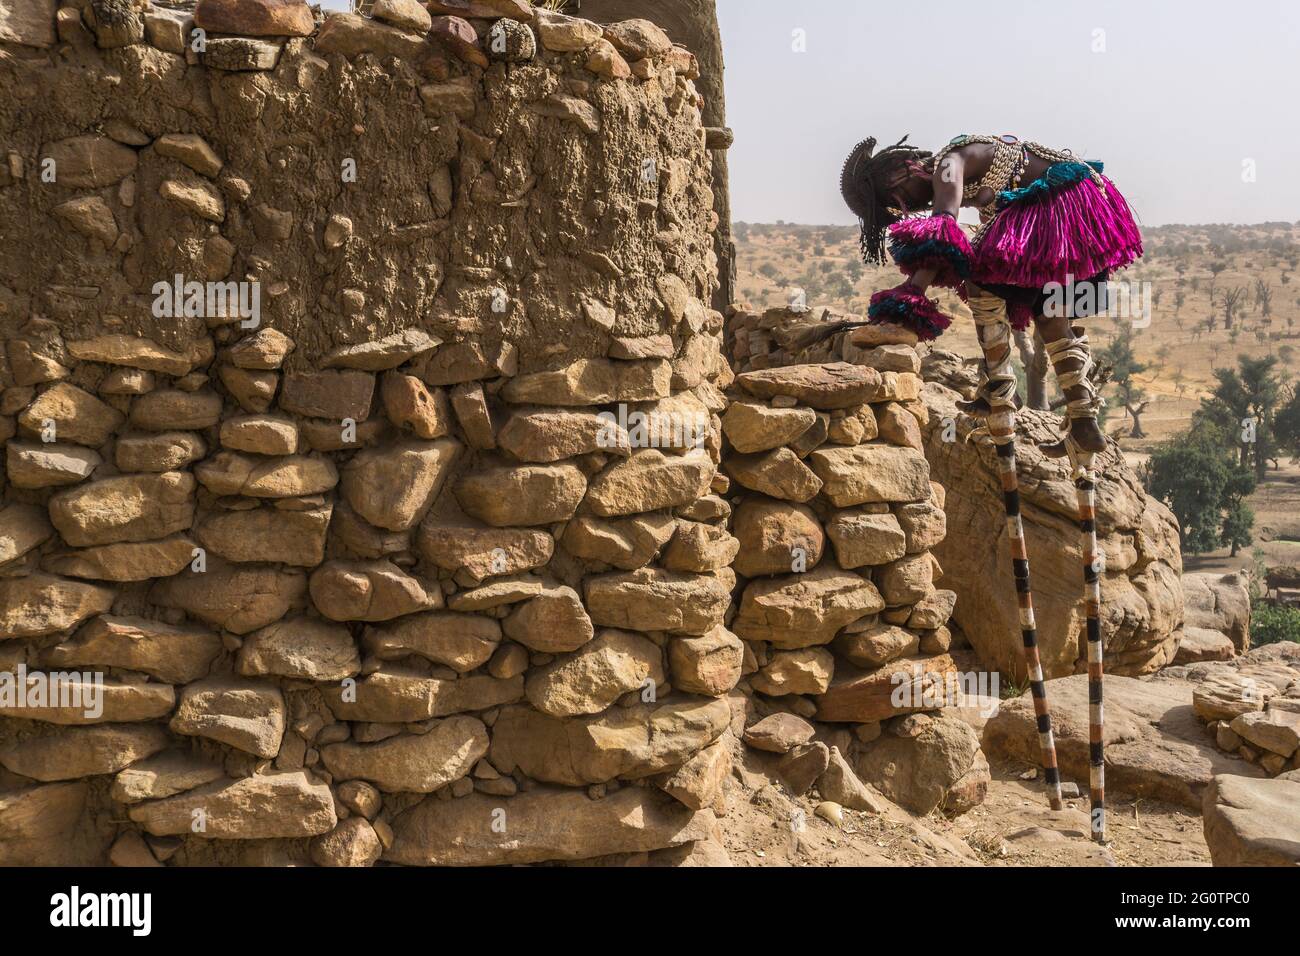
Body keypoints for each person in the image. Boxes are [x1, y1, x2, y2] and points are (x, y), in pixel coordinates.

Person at [839, 134, 1143, 466]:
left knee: (978, 271)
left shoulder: (947, 165)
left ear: (903, 172)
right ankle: (1083, 421)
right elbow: (989, 226)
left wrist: (911, 293)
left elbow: (944, 232)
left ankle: (999, 388)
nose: (909, 209)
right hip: (1084, 204)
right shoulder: (976, 172)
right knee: (1048, 312)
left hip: (1064, 202)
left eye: (899, 200)